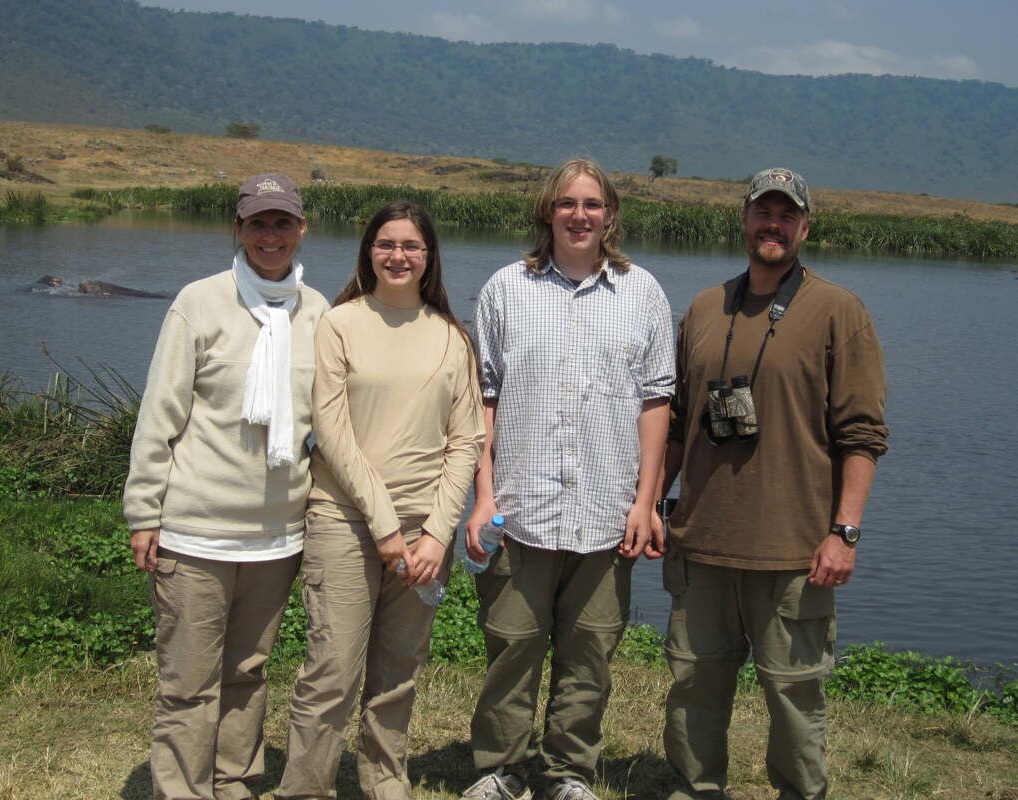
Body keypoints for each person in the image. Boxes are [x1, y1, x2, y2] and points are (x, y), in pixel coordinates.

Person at [655, 168, 889, 800]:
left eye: (787, 215)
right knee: (694, 685)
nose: (773, 225)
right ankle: (696, 788)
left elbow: (863, 435)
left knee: (793, 694)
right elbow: (676, 421)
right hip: (701, 543)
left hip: (795, 552)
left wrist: (844, 533)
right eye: (763, 212)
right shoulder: (705, 308)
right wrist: (649, 504)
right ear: (744, 220)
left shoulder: (838, 311)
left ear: (805, 228)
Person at [461, 158, 675, 800]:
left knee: (590, 653)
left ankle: (568, 773)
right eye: (566, 203)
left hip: (607, 511)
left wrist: (646, 503)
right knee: (512, 645)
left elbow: (657, 403)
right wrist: (482, 498)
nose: (579, 216)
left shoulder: (643, 293)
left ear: (610, 215)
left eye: (591, 204)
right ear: (547, 212)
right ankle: (501, 769)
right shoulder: (505, 289)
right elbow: (484, 400)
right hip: (520, 509)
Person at [123, 173, 329, 800]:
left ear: (301, 229)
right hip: (196, 529)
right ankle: (181, 790)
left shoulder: (318, 312)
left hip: (277, 534)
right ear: (237, 229)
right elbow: (160, 413)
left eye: (282, 222)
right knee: (188, 680)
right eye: (257, 223)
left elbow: (328, 422)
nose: (270, 236)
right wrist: (144, 511)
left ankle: (234, 781)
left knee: (247, 671)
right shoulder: (199, 302)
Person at [277, 201, 485, 800]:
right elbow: (332, 433)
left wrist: (438, 533)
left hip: (424, 533)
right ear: (368, 251)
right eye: (386, 244)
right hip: (345, 519)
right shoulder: (340, 323)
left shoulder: (452, 338)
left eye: (411, 246)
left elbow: (466, 441)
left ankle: (386, 782)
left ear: (429, 256)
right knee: (332, 671)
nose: (399, 256)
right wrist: (385, 524)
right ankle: (306, 789)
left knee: (398, 672)